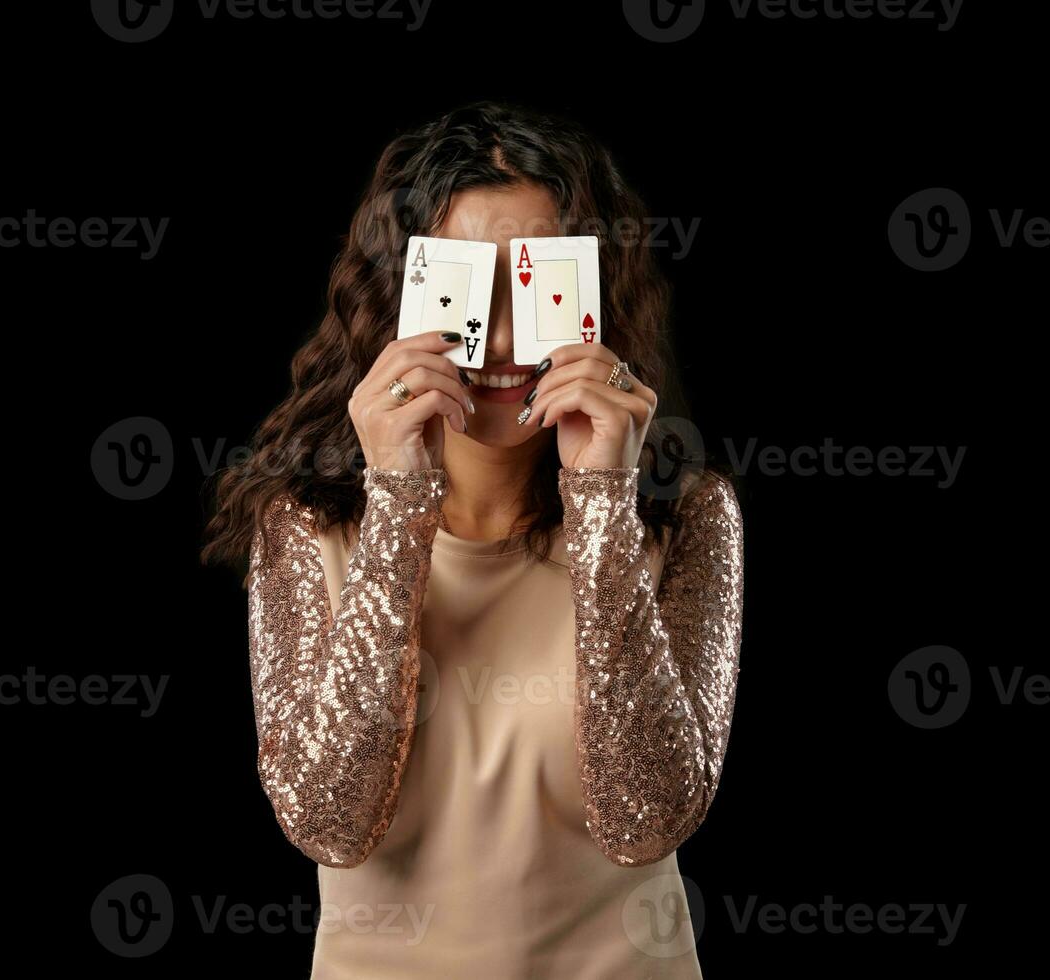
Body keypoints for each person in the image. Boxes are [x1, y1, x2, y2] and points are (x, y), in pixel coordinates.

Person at [204, 101, 744, 979]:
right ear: (397, 297)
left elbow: (648, 817)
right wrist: (400, 501)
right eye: (464, 290)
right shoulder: (305, 526)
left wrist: (601, 497)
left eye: (532, 287)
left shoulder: (687, 516)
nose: (498, 342)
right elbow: (325, 821)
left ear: (592, 294)